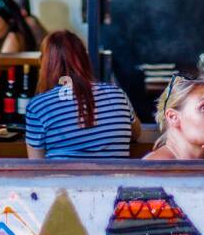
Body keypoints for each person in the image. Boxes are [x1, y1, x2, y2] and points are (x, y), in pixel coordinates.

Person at [25, 30, 140, 161]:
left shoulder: (38, 107)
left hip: (63, 181)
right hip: (115, 181)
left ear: (45, 64)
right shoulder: (118, 95)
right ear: (84, 59)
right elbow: (136, 134)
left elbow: (37, 166)